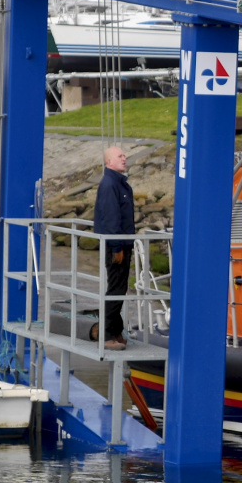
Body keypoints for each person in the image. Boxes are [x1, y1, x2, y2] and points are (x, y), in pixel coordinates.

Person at [93, 146, 135, 349]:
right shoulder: (110, 184)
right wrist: (117, 247)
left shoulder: (119, 184)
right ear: (109, 162)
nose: (124, 158)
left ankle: (116, 331)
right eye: (120, 156)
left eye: (124, 155)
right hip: (116, 246)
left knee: (120, 288)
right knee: (115, 289)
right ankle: (108, 335)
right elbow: (111, 218)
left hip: (123, 244)